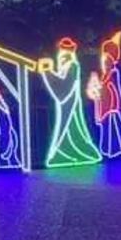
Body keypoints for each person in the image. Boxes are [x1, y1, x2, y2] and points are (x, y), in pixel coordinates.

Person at [40, 37, 101, 167]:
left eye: (64, 56)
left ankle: (70, 154)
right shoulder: (66, 67)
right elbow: (61, 85)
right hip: (66, 105)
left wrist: (47, 72)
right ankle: (66, 154)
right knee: (67, 129)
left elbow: (64, 89)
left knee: (70, 129)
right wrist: (49, 72)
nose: (61, 59)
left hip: (70, 104)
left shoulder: (73, 66)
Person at [86, 31, 121, 158]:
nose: (105, 63)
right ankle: (112, 149)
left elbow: (114, 87)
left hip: (114, 105)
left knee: (119, 127)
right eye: (104, 61)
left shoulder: (115, 73)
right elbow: (101, 88)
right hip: (107, 105)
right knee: (110, 129)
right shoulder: (105, 75)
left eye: (108, 61)